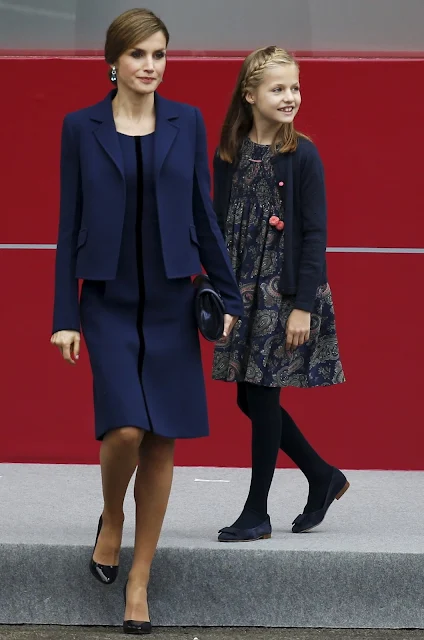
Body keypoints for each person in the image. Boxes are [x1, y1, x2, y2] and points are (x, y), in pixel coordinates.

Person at [50, 7, 242, 634]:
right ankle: (112, 519)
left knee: (164, 439)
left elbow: (202, 213)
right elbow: (66, 225)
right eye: (138, 55)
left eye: (159, 54)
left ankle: (140, 580)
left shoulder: (186, 122)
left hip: (171, 298)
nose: (150, 66)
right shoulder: (80, 127)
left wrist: (230, 296)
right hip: (105, 301)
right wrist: (64, 314)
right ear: (114, 60)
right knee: (127, 431)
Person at [212, 46, 348, 543]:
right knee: (249, 400)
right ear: (250, 95)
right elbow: (217, 225)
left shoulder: (302, 154)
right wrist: (218, 292)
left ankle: (256, 511)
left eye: (294, 87)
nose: (290, 96)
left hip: (282, 292)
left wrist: (303, 307)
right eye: (278, 88)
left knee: (263, 397)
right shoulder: (229, 152)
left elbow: (314, 236)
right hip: (240, 291)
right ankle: (321, 474)